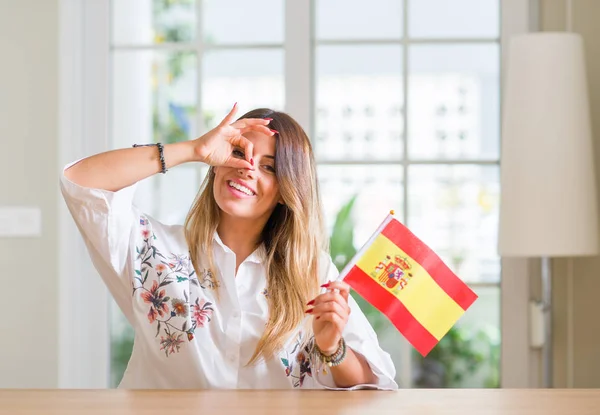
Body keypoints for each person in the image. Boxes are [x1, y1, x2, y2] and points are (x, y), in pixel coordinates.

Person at [60, 103, 397, 390]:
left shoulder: (311, 271)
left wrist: (332, 347)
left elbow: (374, 385)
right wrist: (192, 150)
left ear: (286, 190)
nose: (247, 169)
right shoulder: (155, 248)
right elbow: (81, 182)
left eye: (268, 167)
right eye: (238, 153)